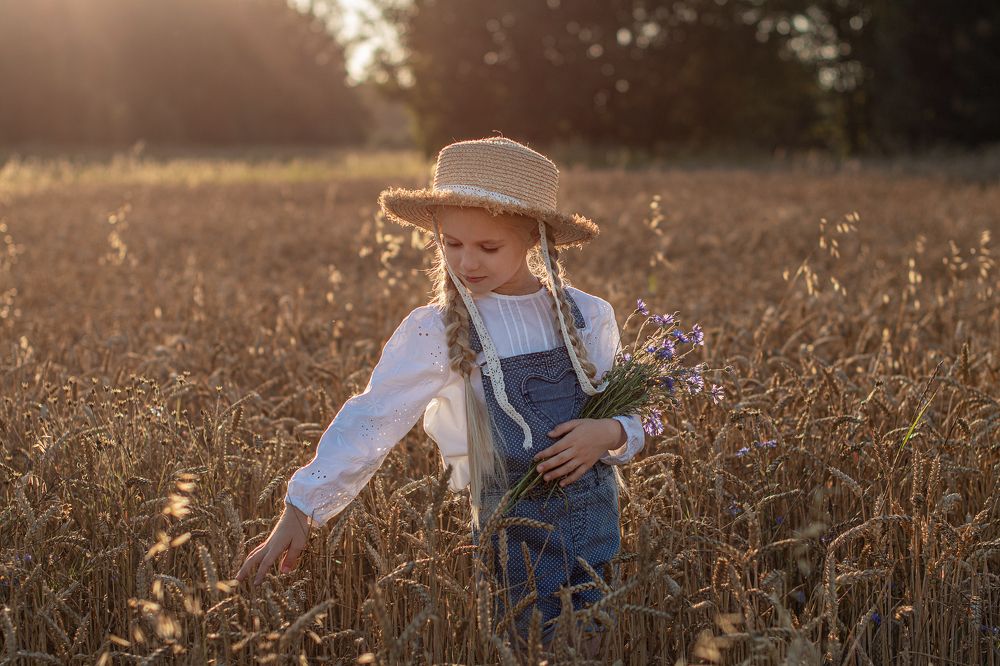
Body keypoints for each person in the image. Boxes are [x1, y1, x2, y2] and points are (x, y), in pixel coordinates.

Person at [234, 136, 646, 657]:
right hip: (512, 539)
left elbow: (638, 413)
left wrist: (607, 432)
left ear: (534, 240)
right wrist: (302, 507)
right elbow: (372, 417)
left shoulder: (588, 315)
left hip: (594, 527)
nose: (467, 262)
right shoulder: (438, 327)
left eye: (488, 247)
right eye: (452, 244)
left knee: (594, 647)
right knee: (527, 650)